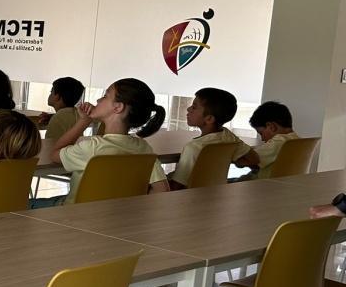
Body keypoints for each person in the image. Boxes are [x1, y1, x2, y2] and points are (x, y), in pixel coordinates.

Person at [41, 77, 170, 205]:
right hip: (116, 220)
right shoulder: (144, 148)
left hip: (72, 217)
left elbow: (54, 154)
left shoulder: (92, 148)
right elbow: (162, 190)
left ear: (118, 107)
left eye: (105, 96)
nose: (98, 100)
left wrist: (84, 121)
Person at [170, 87, 256, 189]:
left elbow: (177, 185)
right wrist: (234, 159)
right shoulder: (228, 136)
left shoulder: (194, 147)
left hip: (189, 197)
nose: (188, 109)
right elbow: (254, 159)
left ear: (209, 119)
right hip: (216, 192)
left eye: (194, 107)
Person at [242, 101, 299, 179]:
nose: (262, 138)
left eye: (261, 133)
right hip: (284, 185)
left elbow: (250, 159)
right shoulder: (296, 139)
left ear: (271, 126)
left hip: (264, 185)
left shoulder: (279, 142)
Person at [39, 76, 85, 142]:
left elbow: (50, 144)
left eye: (51, 91)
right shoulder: (77, 113)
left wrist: (54, 117)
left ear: (57, 96)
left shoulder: (59, 116)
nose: (50, 94)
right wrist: (52, 117)